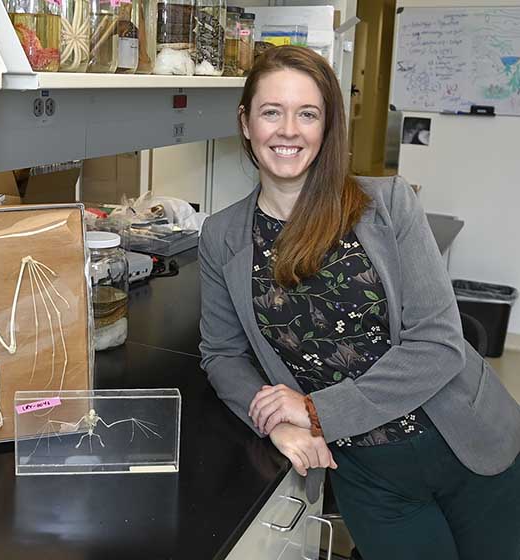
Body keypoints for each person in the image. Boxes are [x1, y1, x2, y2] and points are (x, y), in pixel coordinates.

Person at [198, 45, 520, 560]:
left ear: (326, 128)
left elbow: (438, 345)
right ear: (245, 122)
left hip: (467, 445)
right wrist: (274, 422)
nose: (288, 130)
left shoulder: (386, 204)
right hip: (369, 477)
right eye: (271, 112)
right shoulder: (222, 236)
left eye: (307, 114)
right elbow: (222, 354)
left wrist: (312, 410)